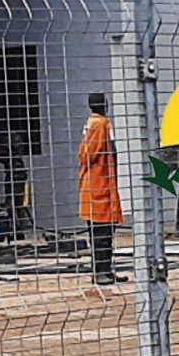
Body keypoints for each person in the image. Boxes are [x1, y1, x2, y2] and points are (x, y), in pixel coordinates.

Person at [77, 92, 123, 285]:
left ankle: (106, 270)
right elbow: (89, 154)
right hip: (98, 186)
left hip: (103, 186)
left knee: (106, 232)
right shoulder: (99, 124)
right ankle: (100, 272)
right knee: (100, 233)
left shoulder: (98, 123)